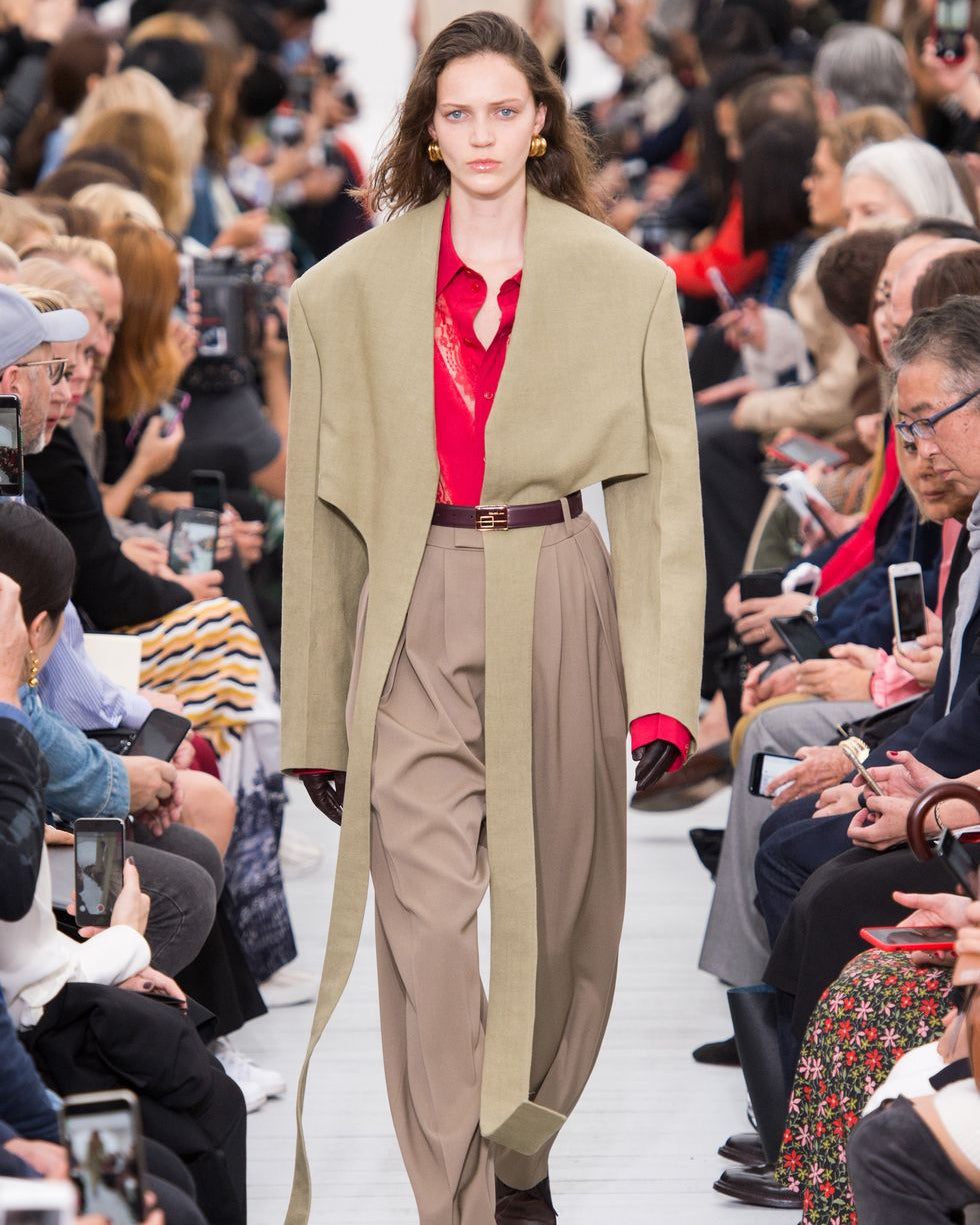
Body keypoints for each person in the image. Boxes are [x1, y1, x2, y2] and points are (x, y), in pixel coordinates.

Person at [280, 12, 704, 1225]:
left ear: (538, 125)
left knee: (566, 917)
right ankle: (460, 1198)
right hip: (411, 601)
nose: (479, 133)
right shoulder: (343, 294)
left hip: (557, 582)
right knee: (421, 925)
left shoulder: (622, 284)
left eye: (501, 111)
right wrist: (315, 714)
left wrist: (664, 684)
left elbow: (663, 498)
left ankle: (520, 1151)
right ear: (424, 127)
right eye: (454, 112)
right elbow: (322, 523)